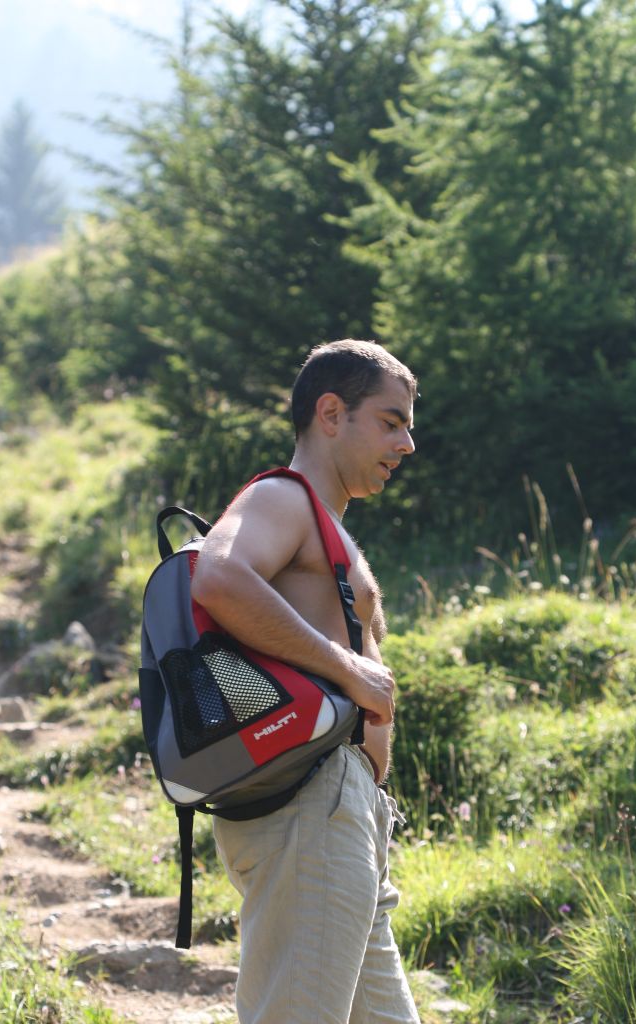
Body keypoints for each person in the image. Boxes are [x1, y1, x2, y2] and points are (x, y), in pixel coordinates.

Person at [190, 338, 420, 1024]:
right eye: (390, 421)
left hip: (345, 816)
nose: (406, 444)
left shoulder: (324, 522)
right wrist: (349, 667)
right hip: (311, 807)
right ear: (331, 413)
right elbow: (218, 576)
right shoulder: (281, 498)